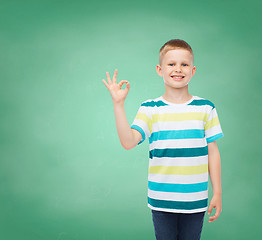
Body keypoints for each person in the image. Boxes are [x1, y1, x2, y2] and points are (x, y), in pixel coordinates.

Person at [102, 39, 224, 240]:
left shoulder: (206, 108)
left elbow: (213, 151)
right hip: (161, 199)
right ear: (160, 69)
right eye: (171, 64)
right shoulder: (149, 109)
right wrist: (118, 104)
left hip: (195, 200)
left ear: (193, 70)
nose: (178, 69)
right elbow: (128, 142)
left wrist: (217, 192)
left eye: (184, 64)